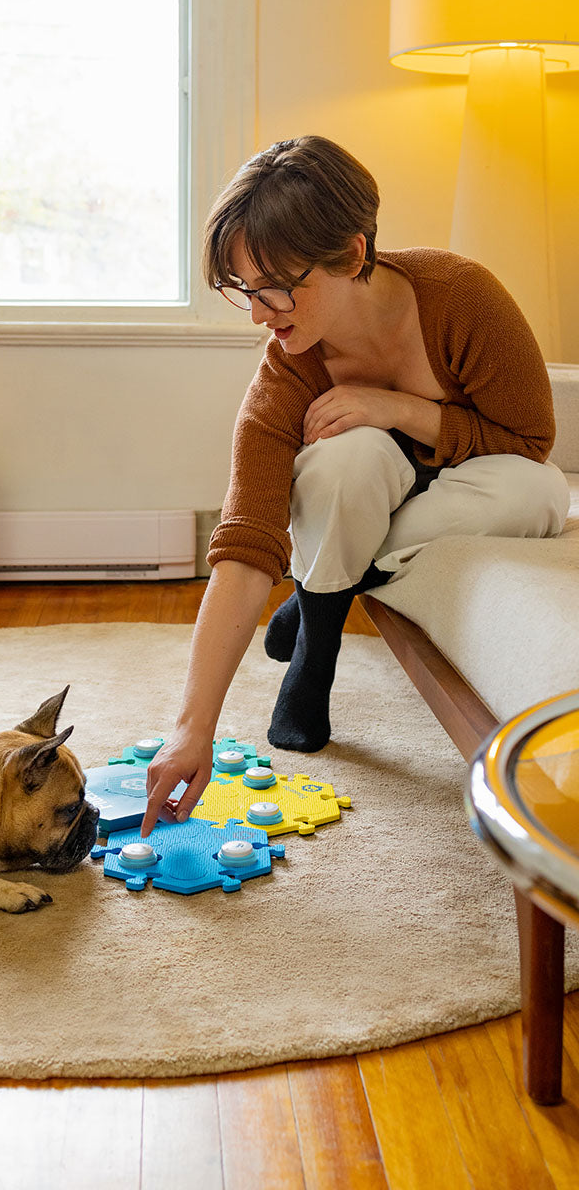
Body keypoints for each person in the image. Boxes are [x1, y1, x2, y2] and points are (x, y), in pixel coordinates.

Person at [141, 135, 569, 838]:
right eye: (243, 288)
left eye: (275, 284)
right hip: (365, 492)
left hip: (470, 481)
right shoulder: (284, 376)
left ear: (354, 253)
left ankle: (318, 600)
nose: (258, 312)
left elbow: (529, 443)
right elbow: (246, 548)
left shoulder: (463, 298)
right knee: (346, 460)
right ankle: (317, 648)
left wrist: (400, 409)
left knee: (542, 494)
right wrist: (192, 729)